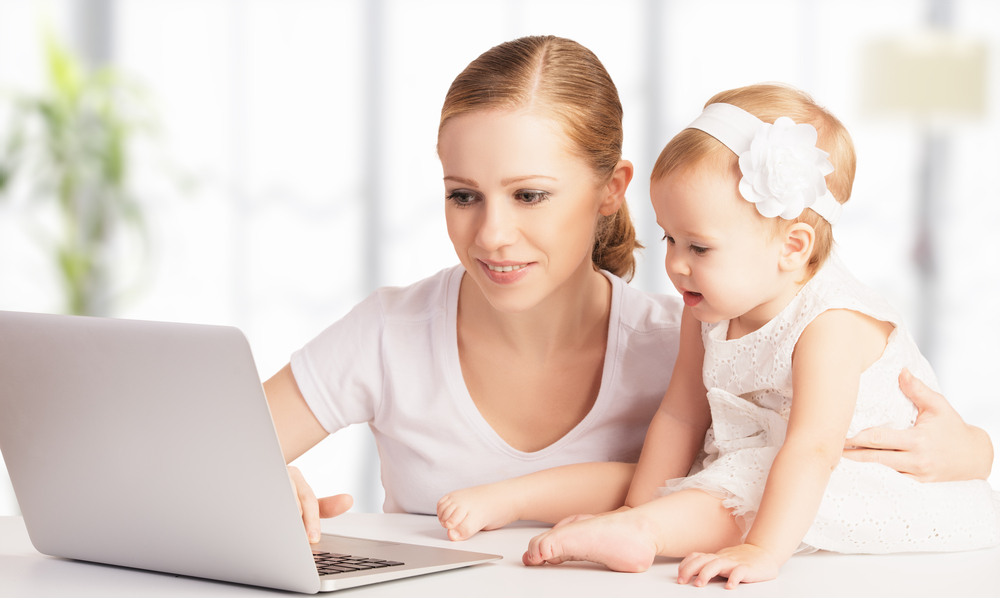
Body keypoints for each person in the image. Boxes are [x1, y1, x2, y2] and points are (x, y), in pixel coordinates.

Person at [261, 36, 994, 548]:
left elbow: (810, 462)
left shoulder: (692, 340)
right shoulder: (390, 331)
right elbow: (195, 450)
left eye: (530, 195)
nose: (490, 235)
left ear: (612, 191)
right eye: (463, 196)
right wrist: (265, 476)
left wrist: (971, 451)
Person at [518, 84, 1000, 587]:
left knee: (755, 479)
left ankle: (647, 533)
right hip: (780, 463)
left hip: (865, 475)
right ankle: (637, 523)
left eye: (699, 247)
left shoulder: (830, 325)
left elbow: (813, 450)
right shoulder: (708, 306)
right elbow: (681, 414)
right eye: (669, 238)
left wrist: (761, 551)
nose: (676, 265)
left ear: (793, 247)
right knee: (731, 475)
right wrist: (636, 503)